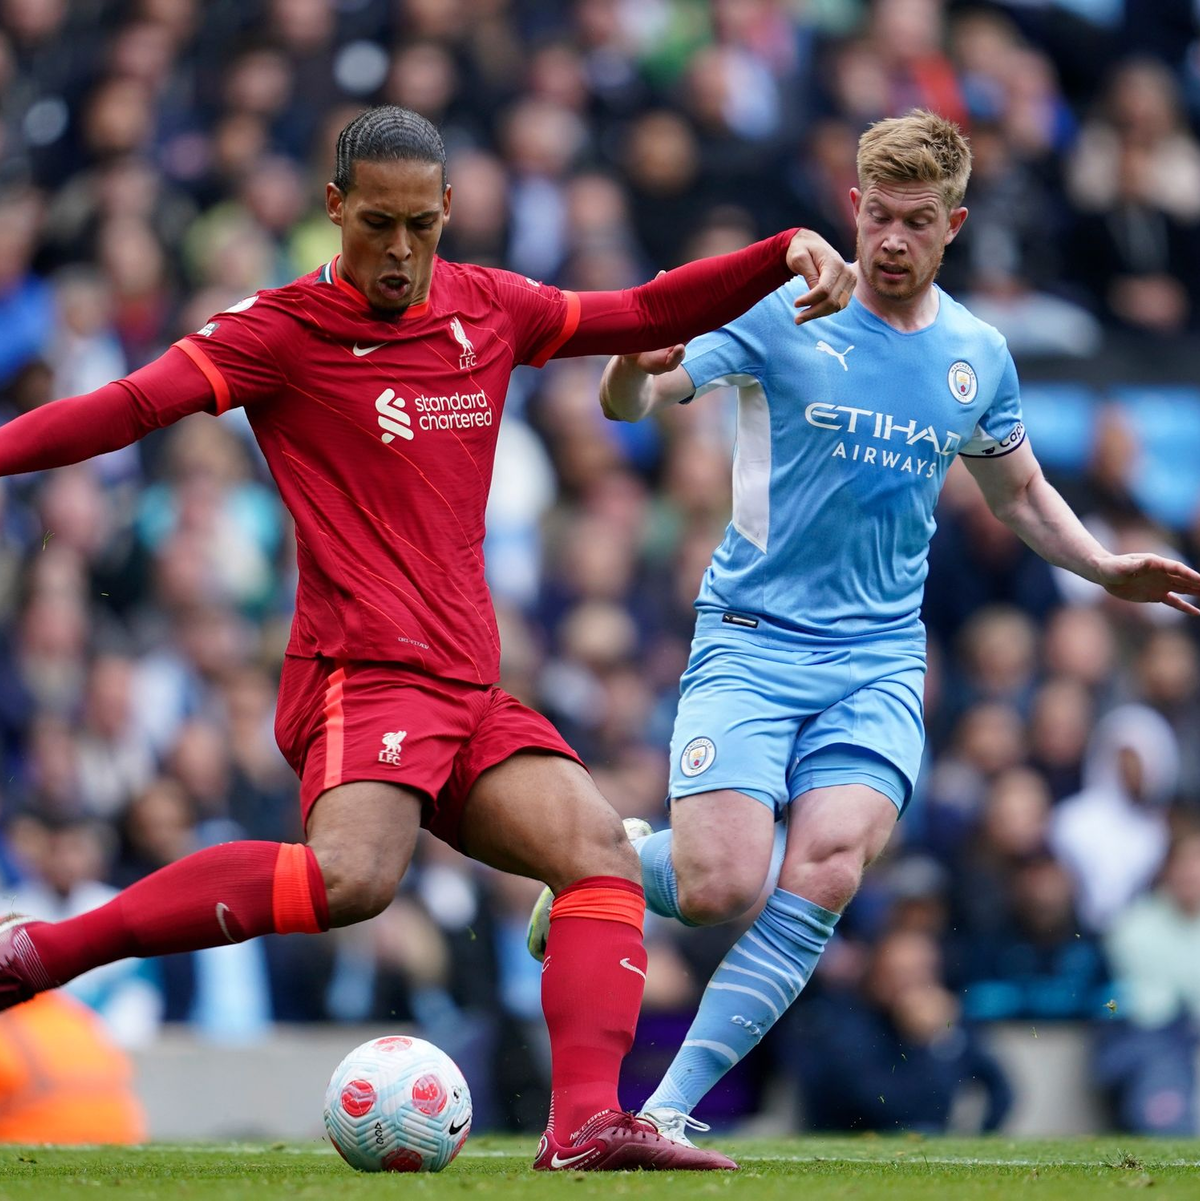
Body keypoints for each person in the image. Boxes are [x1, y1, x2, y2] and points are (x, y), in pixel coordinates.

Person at [0, 106, 856, 1172]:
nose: (398, 251)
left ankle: (586, 1122)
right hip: (361, 670)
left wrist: (780, 254)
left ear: (447, 209)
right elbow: (131, 406)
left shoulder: (488, 307)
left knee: (597, 857)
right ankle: (39, 952)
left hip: (467, 680)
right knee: (352, 879)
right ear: (333, 210)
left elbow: (635, 309)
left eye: (419, 224)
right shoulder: (279, 330)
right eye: (375, 225)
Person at [528, 109, 1200, 1146]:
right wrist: (630, 365)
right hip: (751, 637)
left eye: (916, 222)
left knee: (830, 865)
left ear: (954, 224)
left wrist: (1104, 567)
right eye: (877, 216)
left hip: (879, 661)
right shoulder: (777, 310)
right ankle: (618, 862)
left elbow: (1016, 489)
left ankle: (663, 1112)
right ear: (853, 207)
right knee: (720, 885)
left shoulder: (977, 355)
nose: (891, 240)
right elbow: (638, 398)